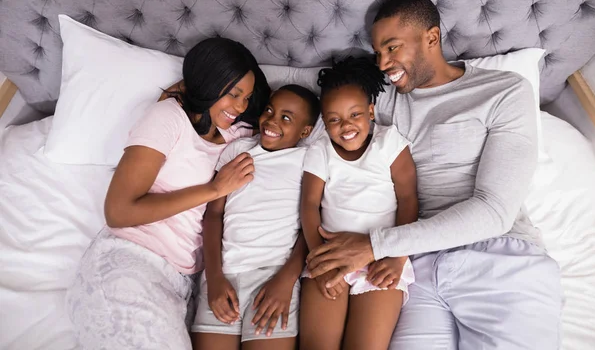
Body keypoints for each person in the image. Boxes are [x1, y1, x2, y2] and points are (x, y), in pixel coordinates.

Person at [305, 0, 562, 349]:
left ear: (431, 37)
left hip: (498, 258)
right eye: (378, 52)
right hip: (416, 269)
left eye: (393, 48)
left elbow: (494, 212)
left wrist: (375, 245)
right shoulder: (381, 99)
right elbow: (318, 90)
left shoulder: (503, 91)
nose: (383, 63)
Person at [66, 38, 271, 350]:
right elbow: (119, 211)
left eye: (247, 97)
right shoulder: (167, 117)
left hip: (179, 284)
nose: (241, 106)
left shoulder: (234, 134)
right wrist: (214, 189)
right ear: (208, 83)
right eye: (234, 94)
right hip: (129, 263)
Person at [299, 57, 418, 350]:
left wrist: (398, 256)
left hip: (383, 258)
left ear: (370, 112)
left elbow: (408, 199)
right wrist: (318, 257)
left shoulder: (389, 142)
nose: (346, 126)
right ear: (324, 123)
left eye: (355, 115)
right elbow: (309, 206)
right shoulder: (320, 151)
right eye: (335, 120)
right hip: (328, 257)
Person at [191, 84, 320, 350]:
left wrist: (286, 281)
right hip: (224, 275)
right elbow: (214, 215)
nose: (272, 121)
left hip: (274, 278)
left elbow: (313, 225)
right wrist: (213, 277)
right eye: (270, 111)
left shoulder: (310, 160)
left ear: (305, 131)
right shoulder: (238, 151)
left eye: (286, 118)